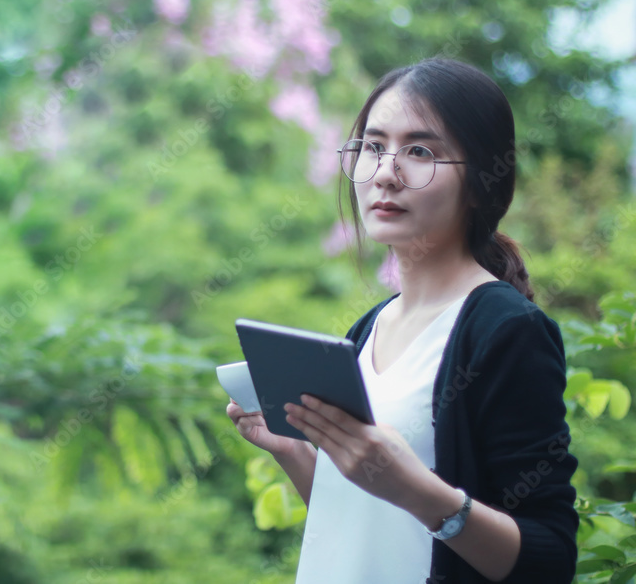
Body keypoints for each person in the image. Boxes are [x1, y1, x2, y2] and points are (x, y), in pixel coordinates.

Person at [226, 58, 578, 583]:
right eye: (372, 147)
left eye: (420, 151)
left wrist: (417, 488)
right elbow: (364, 519)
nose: (386, 172)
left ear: (482, 182)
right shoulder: (368, 328)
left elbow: (548, 559)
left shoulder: (505, 330)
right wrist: (295, 453)